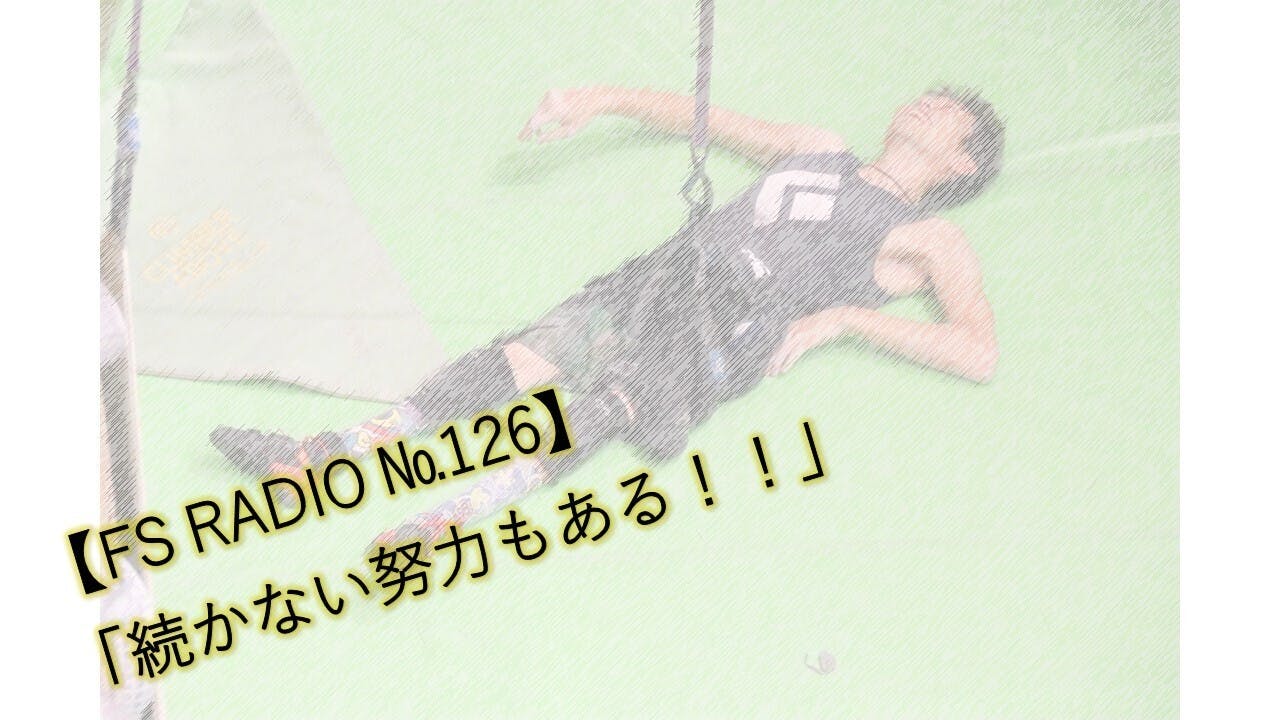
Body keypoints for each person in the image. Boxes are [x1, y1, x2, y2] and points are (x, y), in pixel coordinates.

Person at [211, 85, 1005, 545]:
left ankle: (455, 515)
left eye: (945, 111)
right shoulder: (818, 147)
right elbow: (705, 118)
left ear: (962, 161)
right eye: (927, 95)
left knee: (600, 407)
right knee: (522, 359)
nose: (924, 103)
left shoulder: (931, 238)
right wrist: (602, 99)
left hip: (727, 329)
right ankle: (328, 453)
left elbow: (977, 351)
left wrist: (843, 322)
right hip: (664, 275)